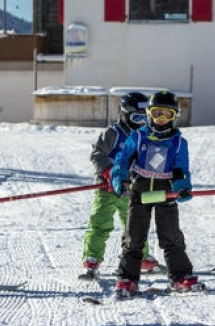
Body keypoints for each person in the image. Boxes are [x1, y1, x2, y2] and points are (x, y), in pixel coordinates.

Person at [110, 90, 202, 298]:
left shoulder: (179, 143)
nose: (161, 119)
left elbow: (181, 170)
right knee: (134, 237)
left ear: (174, 117)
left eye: (167, 114)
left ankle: (180, 276)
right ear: (149, 114)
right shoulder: (138, 136)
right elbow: (122, 162)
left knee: (171, 236)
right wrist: (120, 178)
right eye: (156, 113)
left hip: (165, 193)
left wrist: (182, 187)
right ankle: (127, 279)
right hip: (139, 191)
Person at [79, 91, 161, 279]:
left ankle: (140, 257)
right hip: (106, 189)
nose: (140, 121)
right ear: (124, 114)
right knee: (100, 224)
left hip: (129, 191)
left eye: (144, 117)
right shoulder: (113, 133)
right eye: (136, 117)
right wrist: (108, 171)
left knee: (135, 226)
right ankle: (92, 259)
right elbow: (97, 154)